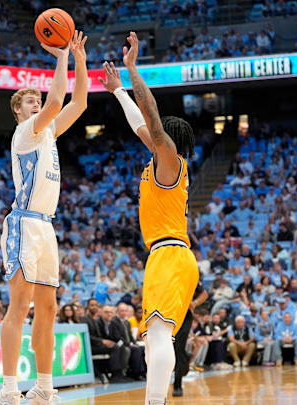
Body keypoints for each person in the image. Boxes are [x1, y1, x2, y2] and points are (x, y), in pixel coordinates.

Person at [99, 32, 198, 405]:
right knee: (158, 335)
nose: (150, 135)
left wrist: (132, 69)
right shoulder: (160, 163)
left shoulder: (170, 159)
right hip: (168, 255)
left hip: (170, 254)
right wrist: (117, 92)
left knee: (158, 335)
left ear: (168, 140)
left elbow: (151, 116)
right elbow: (140, 124)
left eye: (157, 135)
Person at [0, 30, 89, 405]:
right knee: (18, 305)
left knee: (48, 308)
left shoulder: (48, 132)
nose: (37, 104)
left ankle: (45, 385)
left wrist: (80, 59)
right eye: (29, 101)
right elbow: (56, 102)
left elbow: (78, 102)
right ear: (19, 112)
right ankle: (7, 387)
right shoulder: (25, 132)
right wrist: (62, 55)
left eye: (36, 99)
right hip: (23, 223)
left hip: (46, 226)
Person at [172, 280, 207, 396]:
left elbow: (204, 294)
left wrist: (195, 303)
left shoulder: (189, 274)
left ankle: (177, 385)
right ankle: (186, 360)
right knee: (172, 348)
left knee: (178, 347)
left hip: (184, 315)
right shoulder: (164, 273)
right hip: (167, 313)